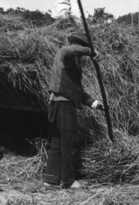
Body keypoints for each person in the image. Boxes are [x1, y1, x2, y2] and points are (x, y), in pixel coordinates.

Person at [44, 33, 104, 190]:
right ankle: (68, 181)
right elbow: (72, 50)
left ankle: (50, 180)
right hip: (63, 104)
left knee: (58, 142)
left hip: (56, 104)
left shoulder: (72, 64)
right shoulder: (66, 53)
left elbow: (77, 90)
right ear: (78, 46)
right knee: (69, 141)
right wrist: (91, 51)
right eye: (82, 49)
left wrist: (94, 103)